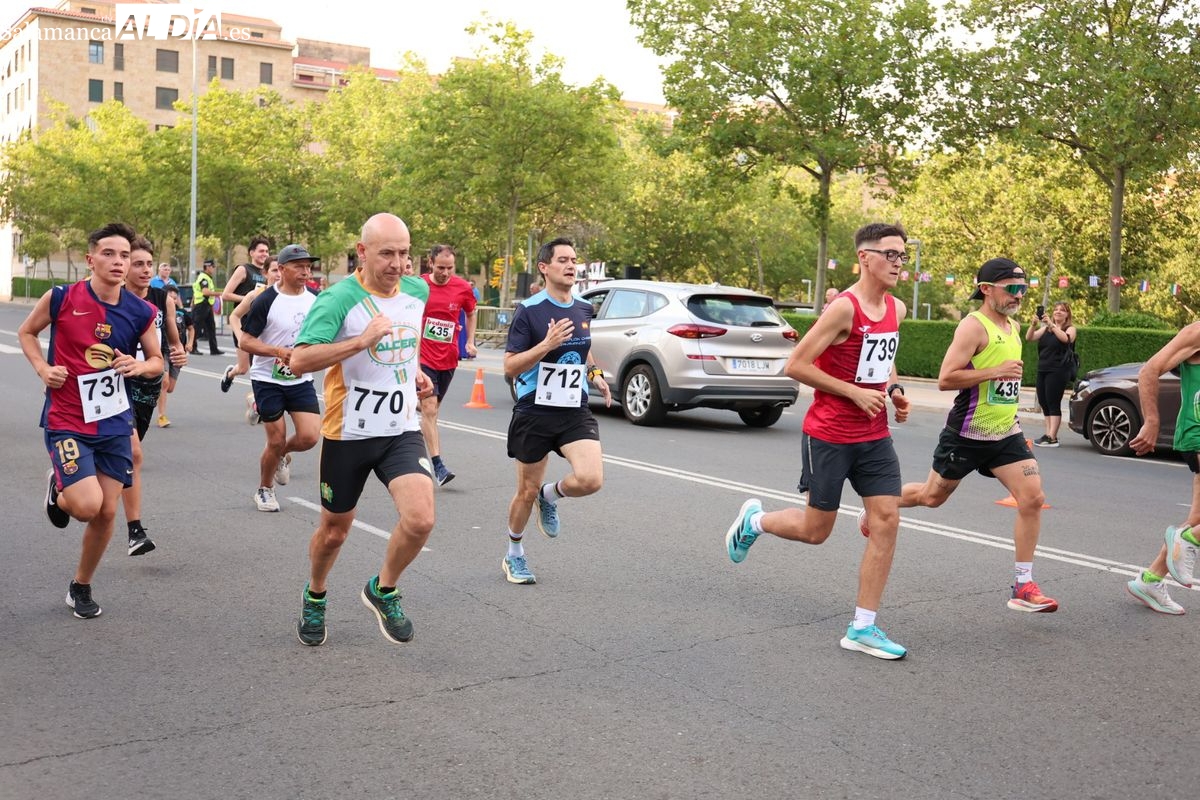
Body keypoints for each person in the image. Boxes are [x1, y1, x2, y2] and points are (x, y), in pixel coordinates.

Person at [724, 223, 912, 660]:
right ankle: (754, 522)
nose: (898, 263)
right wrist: (853, 392)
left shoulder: (897, 309)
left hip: (874, 435)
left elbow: (884, 357)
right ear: (865, 257)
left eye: (903, 255)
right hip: (829, 434)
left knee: (886, 519)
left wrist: (894, 390)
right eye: (890, 254)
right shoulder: (844, 309)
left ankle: (862, 627)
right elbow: (796, 364)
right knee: (816, 531)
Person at [287, 213, 435, 647]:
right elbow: (299, 360)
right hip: (347, 432)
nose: (398, 264)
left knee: (421, 519)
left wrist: (414, 372)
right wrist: (359, 342)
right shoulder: (338, 299)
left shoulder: (417, 290)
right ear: (362, 251)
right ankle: (315, 594)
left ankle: (383, 589)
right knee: (334, 531)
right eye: (387, 253)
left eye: (404, 253)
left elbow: (405, 342)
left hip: (400, 427)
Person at [892, 257, 1058, 614]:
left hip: (1006, 433)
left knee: (1032, 498)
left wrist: (1003, 383)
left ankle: (1023, 585)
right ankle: (880, 505)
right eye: (1012, 289)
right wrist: (994, 371)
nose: (1019, 295)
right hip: (966, 433)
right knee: (931, 497)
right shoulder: (973, 326)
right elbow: (945, 378)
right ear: (986, 289)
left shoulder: (1013, 327)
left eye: (1023, 289)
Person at [17, 222, 163, 619]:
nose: (119, 262)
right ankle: (59, 488)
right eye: (109, 254)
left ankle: (80, 586)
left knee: (107, 512)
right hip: (66, 418)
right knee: (85, 507)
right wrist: (43, 369)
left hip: (114, 422)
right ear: (90, 259)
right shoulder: (62, 298)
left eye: (124, 256)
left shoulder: (140, 311)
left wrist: (140, 365)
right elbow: (27, 333)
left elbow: (157, 361)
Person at [501, 237, 612, 586]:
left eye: (574, 260)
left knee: (591, 479)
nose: (570, 266)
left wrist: (594, 374)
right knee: (525, 491)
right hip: (535, 409)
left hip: (573, 408)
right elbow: (509, 367)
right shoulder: (529, 310)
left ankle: (550, 495)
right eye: (562, 260)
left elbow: (583, 346)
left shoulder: (583, 308)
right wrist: (546, 345)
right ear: (544, 268)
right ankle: (514, 553)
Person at [238, 245, 321, 512]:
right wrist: (277, 351)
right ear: (282, 269)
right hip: (267, 379)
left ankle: (282, 455)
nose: (305, 271)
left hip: (300, 378)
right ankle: (264, 489)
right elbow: (246, 341)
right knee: (275, 439)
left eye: (308, 266)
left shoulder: (316, 299)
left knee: (310, 437)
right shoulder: (266, 300)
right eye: (299, 266)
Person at [1126, 323, 1200, 614]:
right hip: (1197, 433)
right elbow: (1149, 370)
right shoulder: (1196, 332)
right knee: (1192, 532)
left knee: (1196, 519)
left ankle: (1151, 580)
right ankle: (1189, 540)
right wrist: (1152, 421)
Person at [121, 236, 186, 555]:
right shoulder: (114, 297)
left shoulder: (162, 299)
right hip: (118, 381)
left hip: (148, 382)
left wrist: (179, 356)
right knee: (133, 453)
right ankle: (135, 530)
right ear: (125, 267)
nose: (146, 270)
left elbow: (172, 340)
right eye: (138, 264)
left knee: (123, 458)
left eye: (149, 264)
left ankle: (68, 479)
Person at [419, 244, 478, 485]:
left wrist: (470, 341)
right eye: (440, 267)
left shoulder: (463, 288)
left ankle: (412, 423)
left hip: (448, 358)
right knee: (429, 409)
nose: (445, 273)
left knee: (432, 411)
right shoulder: (419, 285)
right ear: (430, 263)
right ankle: (438, 466)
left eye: (449, 268)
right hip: (422, 357)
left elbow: (471, 313)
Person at [221, 257, 280, 395]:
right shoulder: (255, 294)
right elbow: (234, 316)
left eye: (282, 270)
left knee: (278, 382)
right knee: (244, 369)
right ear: (265, 273)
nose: (279, 274)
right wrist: (241, 338)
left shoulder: (291, 296)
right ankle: (231, 375)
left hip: (277, 347)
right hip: (251, 336)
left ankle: (259, 400)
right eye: (274, 270)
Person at [220, 236, 271, 386]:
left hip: (262, 322)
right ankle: (230, 374)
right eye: (261, 251)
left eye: (267, 251)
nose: (264, 254)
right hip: (243, 322)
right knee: (243, 368)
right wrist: (249, 299)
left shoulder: (269, 272)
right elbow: (226, 295)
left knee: (260, 364)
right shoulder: (244, 270)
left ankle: (260, 395)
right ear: (252, 253)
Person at [1025, 301, 1077, 447]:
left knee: (1053, 402)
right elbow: (1029, 337)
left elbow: (1066, 339)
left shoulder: (1070, 329)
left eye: (1062, 310)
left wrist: (1051, 325)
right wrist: (1033, 324)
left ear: (1067, 315)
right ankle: (1048, 434)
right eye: (1056, 309)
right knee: (1044, 402)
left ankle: (1052, 437)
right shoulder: (1046, 329)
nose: (1058, 312)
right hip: (1043, 369)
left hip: (1058, 370)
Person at [156, 284, 193, 428]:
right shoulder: (158, 312)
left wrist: (189, 343)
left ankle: (154, 394)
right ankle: (161, 416)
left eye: (175, 297)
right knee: (164, 383)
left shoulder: (182, 313)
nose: (172, 300)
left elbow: (191, 328)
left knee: (169, 387)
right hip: (163, 350)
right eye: (169, 297)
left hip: (177, 351)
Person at [191, 259, 223, 355]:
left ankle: (214, 349)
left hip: (206, 304)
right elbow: (205, 292)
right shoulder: (204, 278)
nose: (214, 269)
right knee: (197, 327)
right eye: (213, 267)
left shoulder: (207, 277)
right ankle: (192, 348)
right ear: (208, 267)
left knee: (211, 327)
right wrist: (219, 293)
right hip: (201, 304)